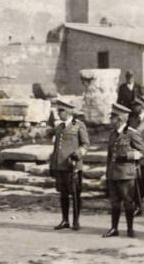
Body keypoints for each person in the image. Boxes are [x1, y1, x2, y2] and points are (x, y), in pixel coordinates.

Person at [103, 103, 144, 238]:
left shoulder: (131, 134)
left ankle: (130, 229)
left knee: (128, 202)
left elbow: (143, 153)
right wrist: (107, 173)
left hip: (126, 175)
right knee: (114, 203)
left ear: (120, 119)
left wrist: (128, 156)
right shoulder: (112, 134)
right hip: (113, 174)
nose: (111, 120)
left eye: (113, 117)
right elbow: (110, 156)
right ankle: (114, 228)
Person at [49, 99, 90, 231]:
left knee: (75, 194)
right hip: (60, 166)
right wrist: (52, 165)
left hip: (72, 166)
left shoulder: (79, 125)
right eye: (58, 111)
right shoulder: (59, 127)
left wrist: (77, 154)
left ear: (68, 112)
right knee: (63, 194)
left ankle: (76, 221)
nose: (59, 113)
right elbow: (56, 148)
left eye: (61, 111)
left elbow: (86, 144)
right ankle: (65, 220)